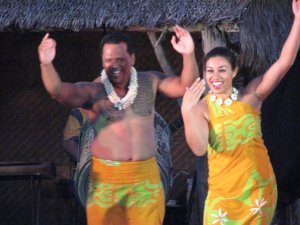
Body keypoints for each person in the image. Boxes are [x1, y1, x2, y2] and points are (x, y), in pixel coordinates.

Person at [38, 25, 199, 225]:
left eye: (120, 59)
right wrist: (46, 64)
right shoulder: (94, 91)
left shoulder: (149, 82)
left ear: (132, 58)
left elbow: (185, 85)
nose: (114, 65)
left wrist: (189, 54)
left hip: (145, 177)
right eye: (108, 60)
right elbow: (58, 91)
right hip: (106, 179)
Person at [181, 0, 300, 224]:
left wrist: (298, 22)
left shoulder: (251, 97)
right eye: (210, 71)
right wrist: (187, 112)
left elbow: (284, 63)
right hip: (222, 196)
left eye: (222, 70)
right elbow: (198, 148)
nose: (215, 77)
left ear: (234, 71)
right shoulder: (202, 108)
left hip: (257, 190)